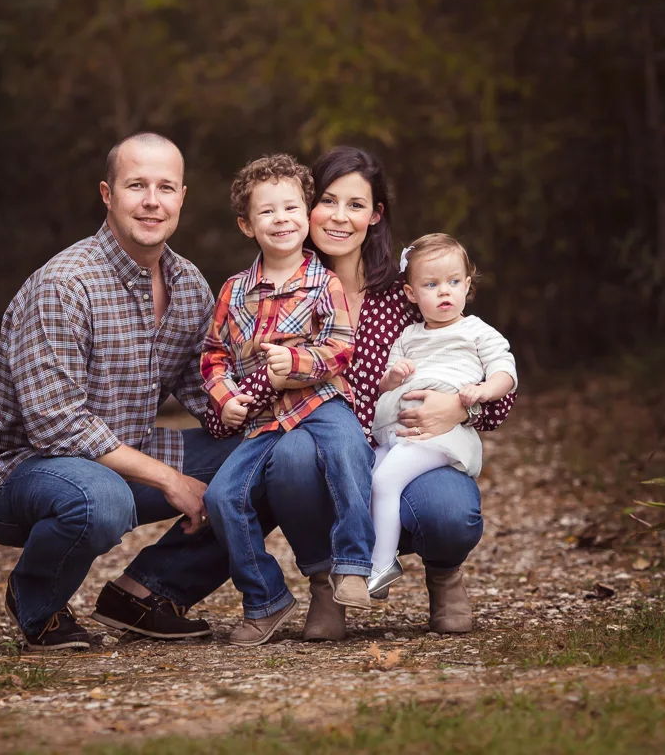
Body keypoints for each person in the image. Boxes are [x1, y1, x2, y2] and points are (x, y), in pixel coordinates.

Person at [201, 146, 517, 639]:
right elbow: (231, 371)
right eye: (329, 200)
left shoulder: (410, 291)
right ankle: (327, 583)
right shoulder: (282, 294)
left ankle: (444, 572)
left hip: (405, 445)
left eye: (357, 204)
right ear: (308, 208)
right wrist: (249, 390)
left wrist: (459, 408)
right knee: (292, 456)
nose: (341, 217)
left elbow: (479, 359)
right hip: (323, 450)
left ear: (376, 215)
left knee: (450, 512)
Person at [0, 133, 244, 651]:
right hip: (23, 469)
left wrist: (275, 410)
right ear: (107, 194)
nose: (152, 201)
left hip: (124, 450)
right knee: (100, 498)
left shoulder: (188, 286)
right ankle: (37, 600)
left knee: (264, 460)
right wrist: (171, 480)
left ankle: (146, 593)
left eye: (165, 187)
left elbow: (205, 390)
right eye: (136, 185)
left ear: (183, 196)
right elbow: (57, 426)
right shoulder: (65, 284)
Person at [200, 154, 375, 645]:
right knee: (221, 496)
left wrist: (297, 366)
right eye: (268, 212)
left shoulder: (325, 282)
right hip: (261, 421)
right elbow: (213, 356)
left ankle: (353, 565)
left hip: (321, 403)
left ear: (306, 214)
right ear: (246, 224)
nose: (282, 220)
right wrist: (225, 397)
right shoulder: (234, 291)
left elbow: (342, 348)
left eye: (292, 208)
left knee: (349, 451)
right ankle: (265, 599)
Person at [367, 233, 517, 594]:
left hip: (438, 435)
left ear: (467, 285)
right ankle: (359, 562)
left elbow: (505, 373)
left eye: (453, 282)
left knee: (383, 483)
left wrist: (482, 391)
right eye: (431, 285)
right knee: (366, 477)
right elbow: (384, 384)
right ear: (411, 294)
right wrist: (393, 376)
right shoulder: (407, 336)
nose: (444, 292)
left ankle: (381, 565)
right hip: (396, 432)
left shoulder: (476, 332)